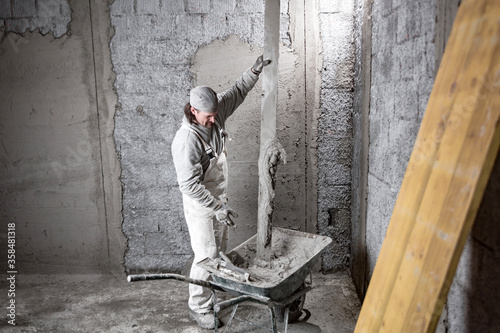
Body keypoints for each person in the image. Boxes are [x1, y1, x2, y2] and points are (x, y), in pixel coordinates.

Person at [171, 55, 271, 330]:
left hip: (218, 198)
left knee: (220, 251)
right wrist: (215, 207)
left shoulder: (214, 114)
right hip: (200, 202)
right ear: (193, 111)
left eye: (216, 114)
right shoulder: (186, 141)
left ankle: (213, 289)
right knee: (206, 255)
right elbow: (189, 185)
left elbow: (237, 91)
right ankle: (199, 307)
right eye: (207, 116)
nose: (214, 120)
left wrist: (254, 70)